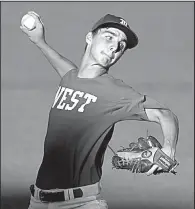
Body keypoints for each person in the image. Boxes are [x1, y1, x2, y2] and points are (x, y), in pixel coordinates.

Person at [20, 12, 179, 209]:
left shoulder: (114, 91)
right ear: (89, 37)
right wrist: (39, 41)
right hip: (38, 203)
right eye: (109, 37)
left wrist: (169, 148)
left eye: (121, 46)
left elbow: (165, 114)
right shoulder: (71, 79)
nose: (115, 46)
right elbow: (67, 70)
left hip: (81, 204)